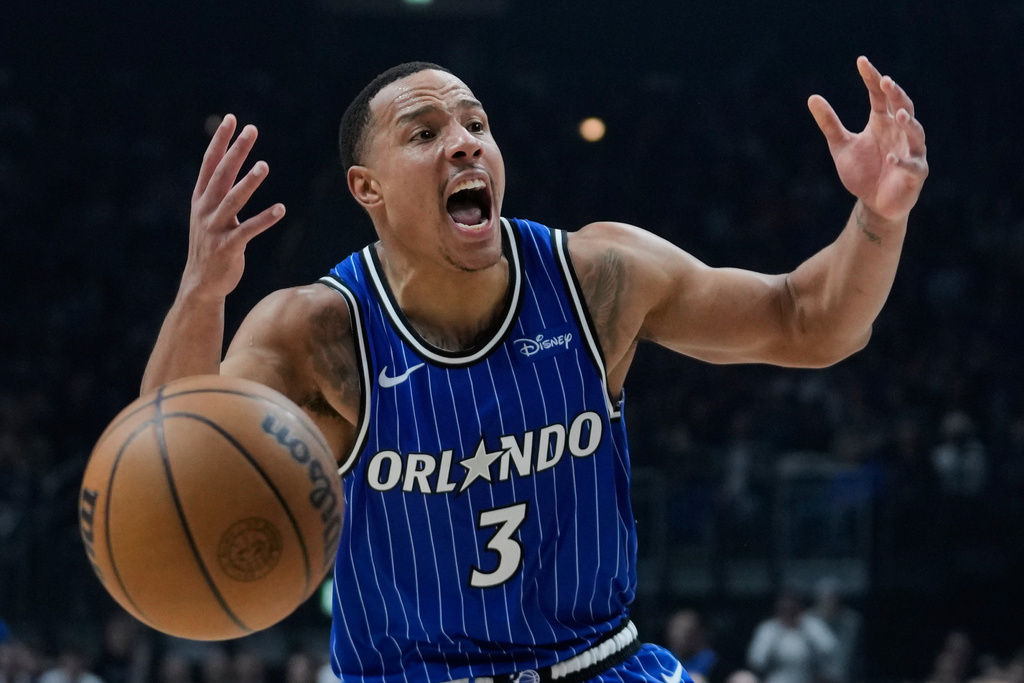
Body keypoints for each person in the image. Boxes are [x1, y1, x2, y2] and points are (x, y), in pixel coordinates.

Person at [141, 56, 927, 683]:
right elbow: (164, 474)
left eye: (475, 122)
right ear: (366, 189)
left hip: (602, 665)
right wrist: (201, 291)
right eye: (423, 133)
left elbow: (808, 321)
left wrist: (879, 217)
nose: (463, 141)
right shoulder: (317, 331)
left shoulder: (596, 277)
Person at [746, 589, 837, 683]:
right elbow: (756, 660)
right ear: (777, 610)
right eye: (784, 610)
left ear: (800, 609)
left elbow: (829, 648)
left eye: (792, 609)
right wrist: (773, 635)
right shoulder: (768, 629)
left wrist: (806, 625)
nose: (788, 614)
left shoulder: (811, 624)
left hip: (807, 678)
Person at [664, 610, 717, 683]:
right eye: (675, 629)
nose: (678, 635)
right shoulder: (665, 655)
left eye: (685, 630)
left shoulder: (709, 658)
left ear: (698, 633)